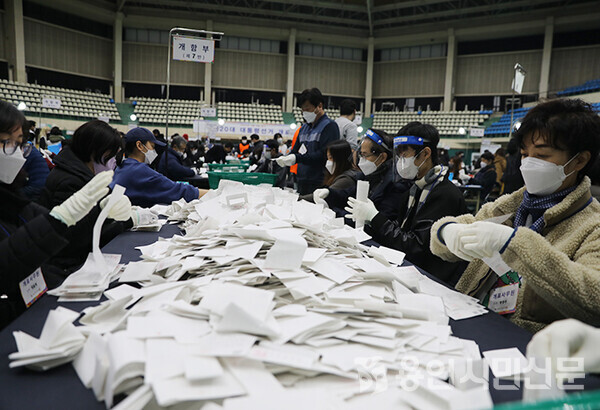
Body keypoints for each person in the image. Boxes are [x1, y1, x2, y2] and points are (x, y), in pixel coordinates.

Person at [431, 98, 600, 333]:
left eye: (542, 156)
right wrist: (445, 231)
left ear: (580, 160)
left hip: (525, 344)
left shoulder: (593, 225)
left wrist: (514, 244)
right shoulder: (509, 206)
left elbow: (593, 296)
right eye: (524, 154)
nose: (528, 164)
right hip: (467, 320)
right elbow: (450, 237)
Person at [0, 101, 131, 328]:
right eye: (7, 143)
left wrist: (103, 211)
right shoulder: (69, 178)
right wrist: (61, 218)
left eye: (20, 144)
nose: (17, 153)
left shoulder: (9, 195)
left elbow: (44, 222)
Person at [346, 122, 467, 285]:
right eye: (399, 154)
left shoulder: (444, 195)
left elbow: (415, 246)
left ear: (425, 153)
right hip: (409, 269)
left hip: (431, 279)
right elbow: (400, 230)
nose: (401, 161)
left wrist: (375, 218)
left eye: (405, 154)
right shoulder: (414, 189)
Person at [38, 119, 134, 271]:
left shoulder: (82, 173)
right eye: (112, 155)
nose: (114, 162)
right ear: (96, 151)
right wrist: (124, 221)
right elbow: (74, 238)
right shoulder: (69, 180)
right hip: (68, 266)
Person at [320, 129, 408, 221]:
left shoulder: (394, 184)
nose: (361, 160)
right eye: (360, 155)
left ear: (382, 157)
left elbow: (378, 222)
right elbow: (348, 195)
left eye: (365, 155)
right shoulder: (367, 176)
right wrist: (329, 194)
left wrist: (334, 213)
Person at [112, 127, 208, 208]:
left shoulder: (123, 166)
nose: (154, 151)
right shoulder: (139, 170)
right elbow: (178, 191)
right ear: (139, 146)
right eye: (152, 146)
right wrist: (215, 193)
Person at [276, 88, 339, 195]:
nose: (304, 113)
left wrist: (298, 158)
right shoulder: (304, 128)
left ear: (319, 106)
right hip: (301, 179)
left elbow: (324, 155)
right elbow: (295, 150)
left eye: (307, 109)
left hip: (319, 181)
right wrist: (287, 158)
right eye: (302, 110)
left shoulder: (329, 126)